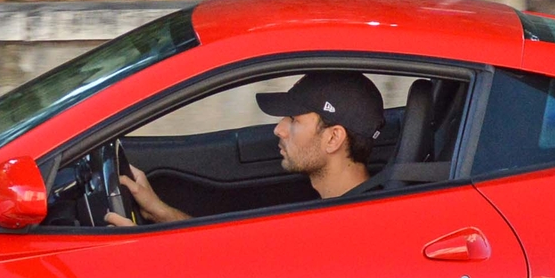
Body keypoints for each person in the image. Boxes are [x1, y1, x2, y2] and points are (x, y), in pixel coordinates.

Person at [112, 71, 383, 225]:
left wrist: (137, 245)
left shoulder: (348, 228)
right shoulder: (333, 210)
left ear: (333, 139)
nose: (279, 129)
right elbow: (228, 255)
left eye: (294, 120)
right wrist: (159, 212)